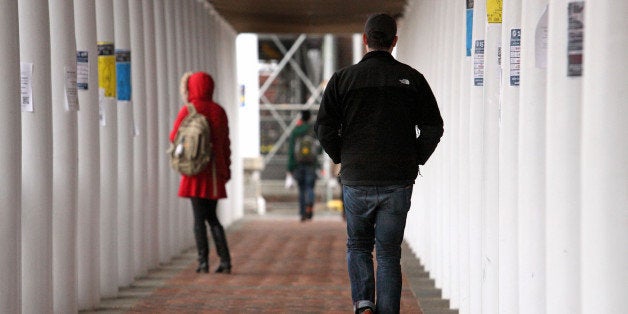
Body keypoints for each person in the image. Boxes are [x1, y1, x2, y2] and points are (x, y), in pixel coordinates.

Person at [315, 13, 444, 314]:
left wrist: (342, 157)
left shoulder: (342, 80)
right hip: (397, 179)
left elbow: (323, 127)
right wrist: (415, 157)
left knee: (358, 245)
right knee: (388, 255)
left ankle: (363, 304)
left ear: (365, 40)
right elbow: (433, 126)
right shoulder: (412, 79)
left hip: (357, 177)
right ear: (394, 41)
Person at [169, 71, 233, 274]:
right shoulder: (219, 111)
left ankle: (203, 262)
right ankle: (225, 260)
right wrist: (226, 168)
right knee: (213, 217)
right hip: (213, 172)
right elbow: (225, 144)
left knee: (198, 218)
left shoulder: (188, 110)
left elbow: (174, 137)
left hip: (194, 172)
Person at [287, 110, 320, 222]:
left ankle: (302, 213)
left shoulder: (296, 131)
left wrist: (290, 167)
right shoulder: (313, 131)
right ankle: (309, 206)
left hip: (298, 164)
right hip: (311, 164)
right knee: (309, 187)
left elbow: (291, 150)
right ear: (310, 118)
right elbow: (319, 148)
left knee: (301, 189)